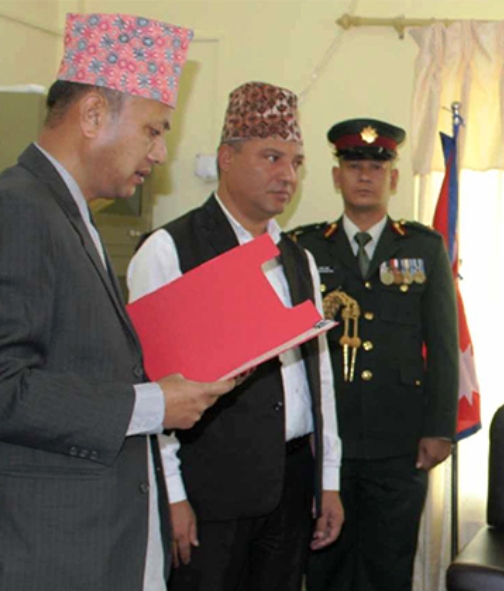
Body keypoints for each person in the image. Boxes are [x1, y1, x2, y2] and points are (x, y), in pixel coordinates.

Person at [0, 13, 235, 591]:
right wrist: (153, 405)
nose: (161, 152)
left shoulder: (68, 214)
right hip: (38, 558)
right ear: (94, 114)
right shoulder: (14, 212)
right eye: (153, 130)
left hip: (93, 548)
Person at [126, 81, 344, 590]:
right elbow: (150, 385)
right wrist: (172, 494)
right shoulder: (170, 250)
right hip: (209, 494)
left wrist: (328, 480)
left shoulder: (298, 258)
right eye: (271, 157)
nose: (287, 175)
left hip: (290, 487)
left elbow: (319, 377)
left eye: (296, 162)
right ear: (227, 157)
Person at [293, 118, 459, 591]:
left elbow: (443, 344)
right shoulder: (304, 247)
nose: (364, 176)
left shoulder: (424, 247)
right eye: (353, 166)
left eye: (376, 168)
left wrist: (440, 428)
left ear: (394, 179)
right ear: (336, 177)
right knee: (325, 567)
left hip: (399, 442)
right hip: (328, 442)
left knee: (388, 569)